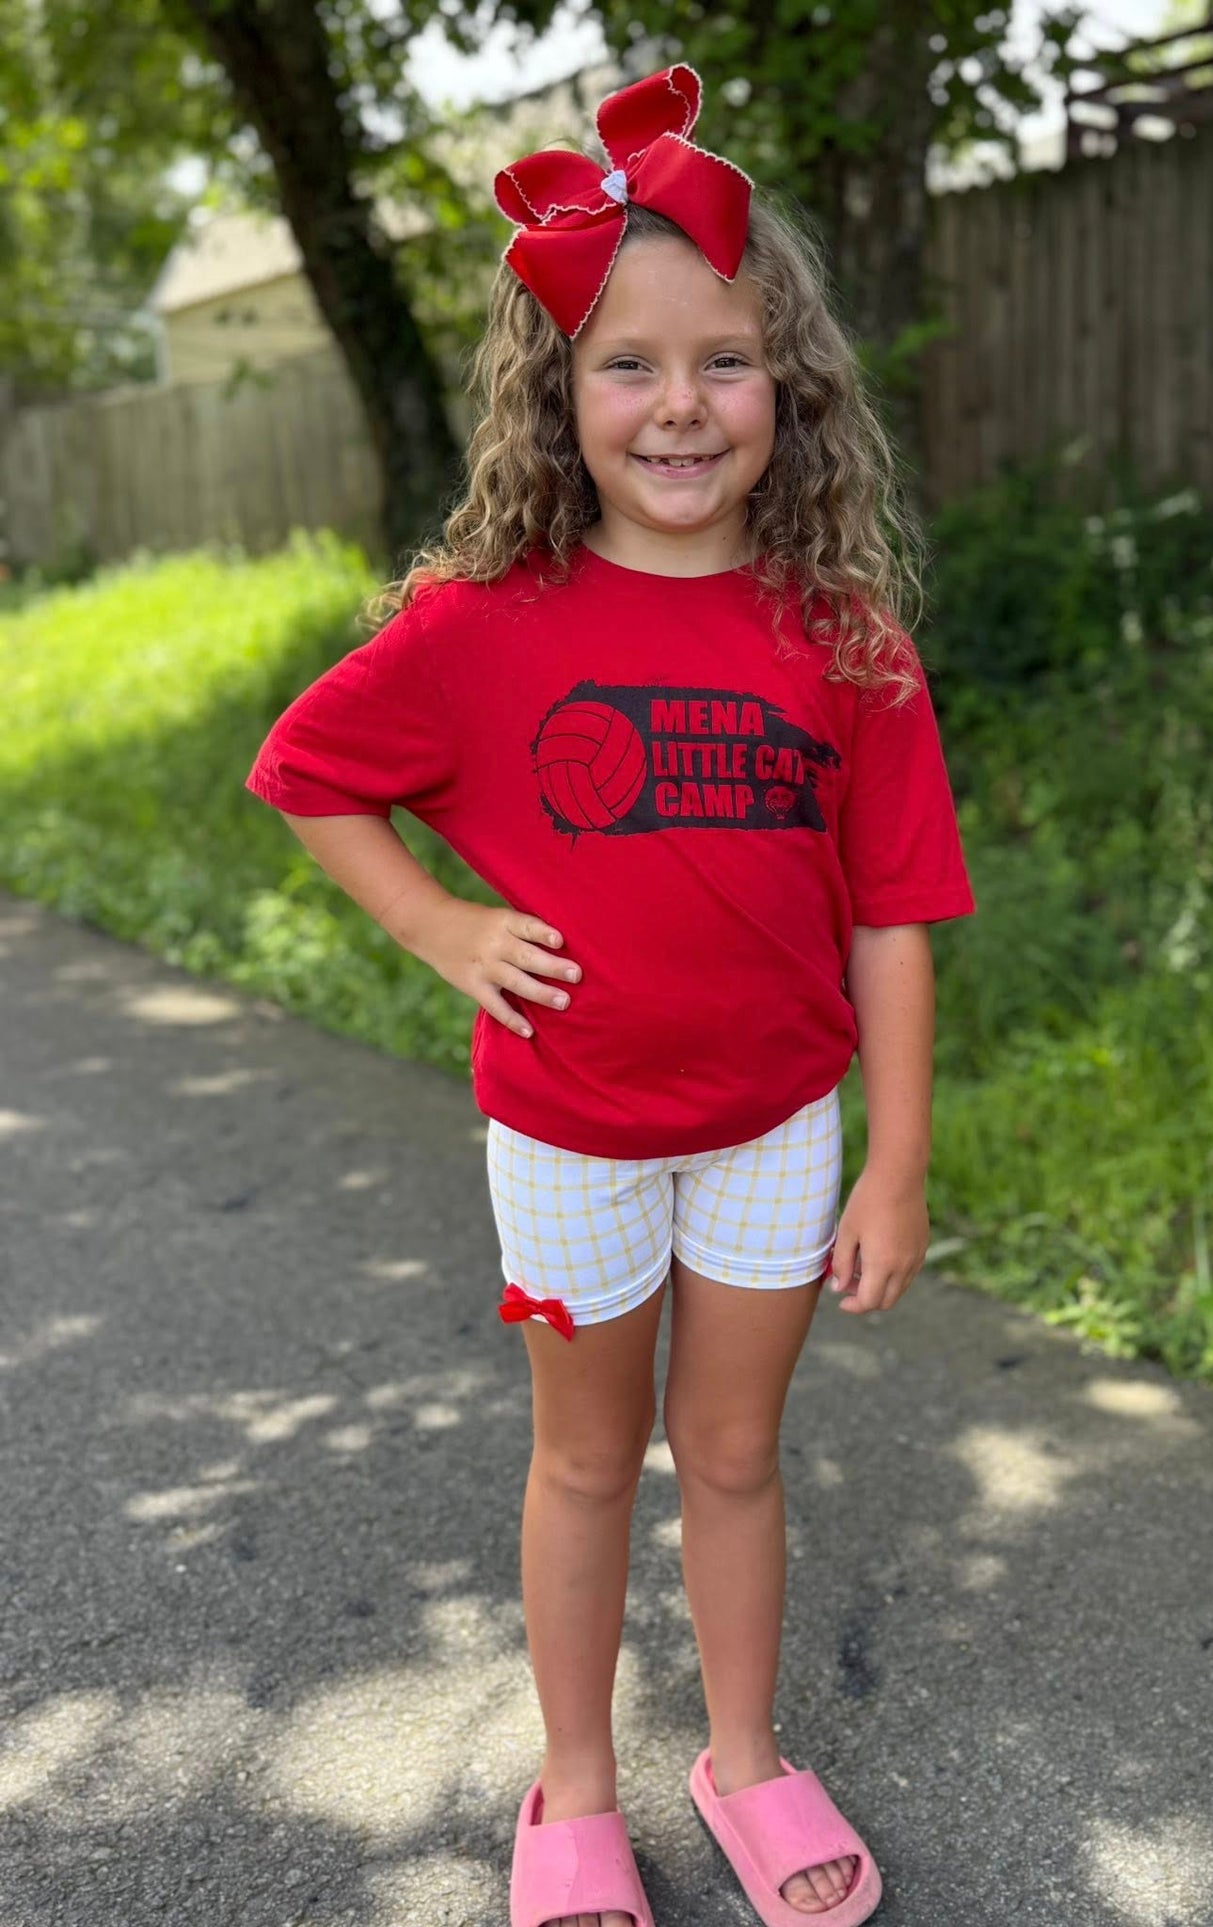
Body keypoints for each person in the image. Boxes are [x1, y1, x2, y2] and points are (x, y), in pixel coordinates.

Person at [245, 62, 974, 1927]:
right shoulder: (490, 620)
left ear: (784, 389)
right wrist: (446, 931)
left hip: (774, 1136)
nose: (677, 404)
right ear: (558, 400)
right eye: (626, 364)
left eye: (722, 360)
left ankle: (740, 1760)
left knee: (731, 1455)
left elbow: (892, 911)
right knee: (586, 1460)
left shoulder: (841, 638)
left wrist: (893, 1163)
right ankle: (573, 1787)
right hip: (567, 1132)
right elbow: (314, 775)